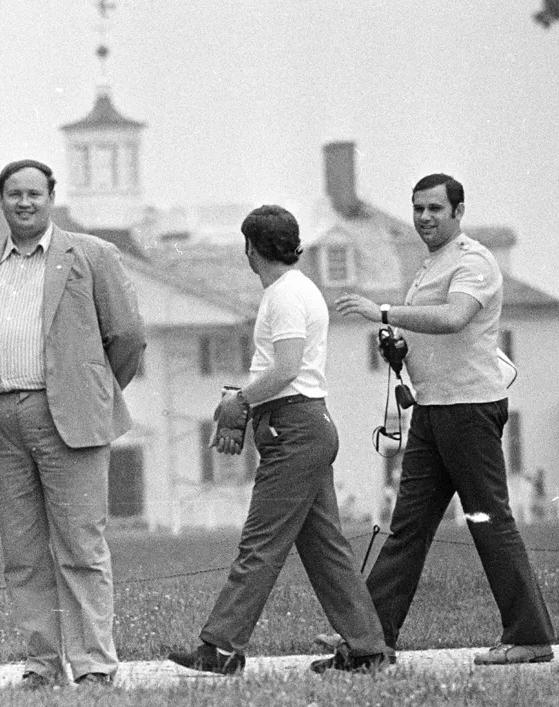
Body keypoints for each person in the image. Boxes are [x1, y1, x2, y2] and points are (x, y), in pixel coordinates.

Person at [330, 173, 556, 665]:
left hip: (469, 408)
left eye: (435, 208)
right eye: (418, 208)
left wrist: (384, 312)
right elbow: (435, 332)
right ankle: (371, 640)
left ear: (458, 212)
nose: (425, 217)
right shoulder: (432, 265)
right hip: (434, 409)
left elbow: (455, 318)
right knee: (407, 529)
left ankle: (531, 637)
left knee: (489, 521)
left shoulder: (474, 261)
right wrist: (401, 347)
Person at [167, 205, 390, 676]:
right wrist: (247, 405)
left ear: (251, 248)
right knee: (325, 548)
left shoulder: (285, 295)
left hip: (294, 429)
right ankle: (367, 649)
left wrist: (239, 401)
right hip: (304, 425)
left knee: (260, 544)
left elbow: (287, 368)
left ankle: (221, 648)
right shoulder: (296, 289)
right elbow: (280, 368)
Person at [0, 159, 145, 688]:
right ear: (1, 200)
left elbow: (128, 336)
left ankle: (93, 665)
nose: (24, 202)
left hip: (71, 419)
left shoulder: (91, 255)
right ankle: (42, 664)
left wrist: (90, 391)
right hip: (0, 420)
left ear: (51, 198)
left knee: (81, 547)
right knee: (22, 553)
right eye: (14, 193)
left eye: (34, 193)